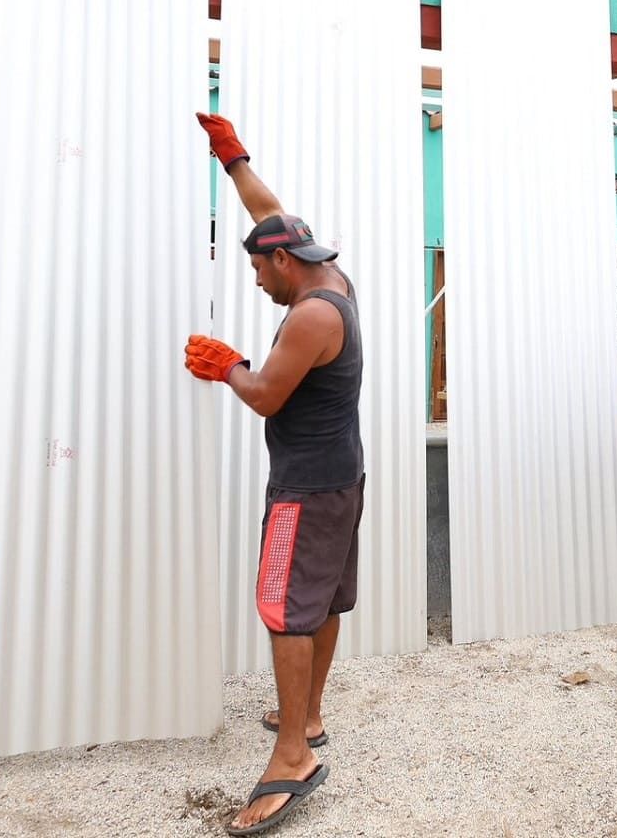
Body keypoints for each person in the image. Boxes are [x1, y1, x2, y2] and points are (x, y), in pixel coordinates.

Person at [185, 112, 358, 836]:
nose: (256, 281)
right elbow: (269, 216)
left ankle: (292, 757)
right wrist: (234, 159)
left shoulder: (312, 318)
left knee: (286, 609)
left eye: (257, 269)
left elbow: (264, 397)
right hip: (341, 476)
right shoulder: (329, 273)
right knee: (322, 603)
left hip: (306, 486)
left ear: (283, 264)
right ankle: (308, 716)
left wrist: (227, 364)